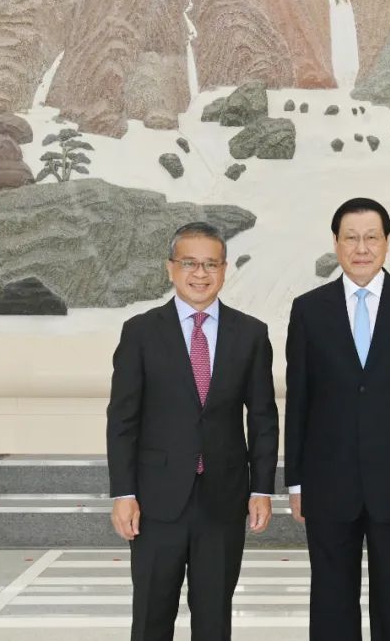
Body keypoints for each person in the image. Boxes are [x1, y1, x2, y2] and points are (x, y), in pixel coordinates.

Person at [285, 198, 390, 640]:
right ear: (336, 243)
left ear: (387, 242)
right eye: (351, 238)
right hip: (326, 483)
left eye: (371, 237)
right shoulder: (308, 310)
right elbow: (299, 401)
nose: (362, 248)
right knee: (331, 603)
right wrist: (296, 482)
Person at [107, 221, 279, 641]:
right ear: (170, 268)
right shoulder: (140, 332)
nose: (200, 274)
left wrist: (261, 489)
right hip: (156, 501)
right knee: (151, 616)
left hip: (224, 500)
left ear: (224, 270)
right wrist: (123, 494)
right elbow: (123, 420)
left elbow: (262, 418)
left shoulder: (251, 334)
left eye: (210, 264)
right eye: (189, 263)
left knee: (214, 618)